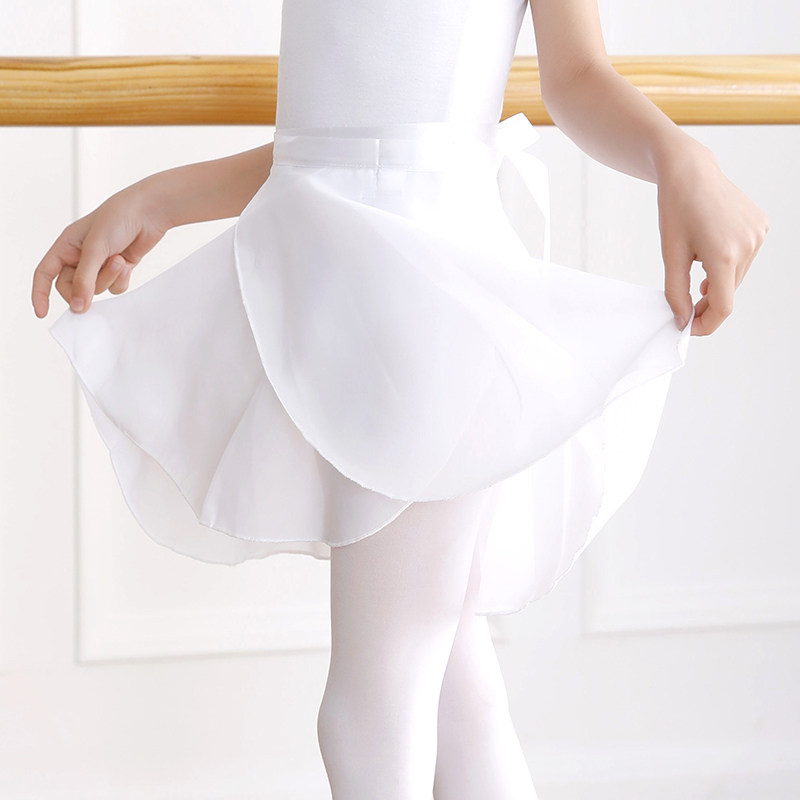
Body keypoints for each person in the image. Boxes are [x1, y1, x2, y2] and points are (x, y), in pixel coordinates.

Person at [30, 0, 769, 797]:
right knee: (448, 683)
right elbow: (333, 133)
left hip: (420, 298)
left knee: (381, 702)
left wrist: (681, 156)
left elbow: (577, 76)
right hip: (345, 285)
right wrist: (160, 199)